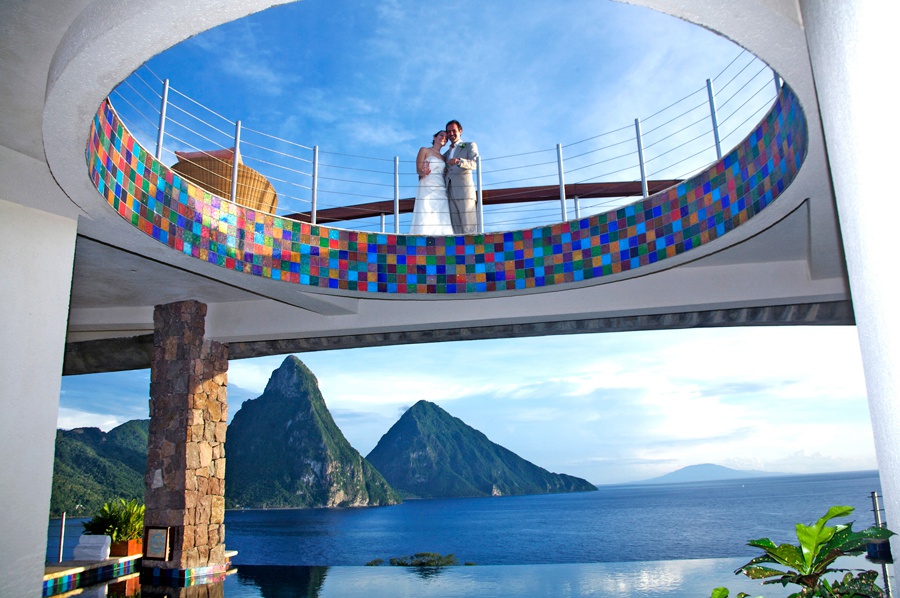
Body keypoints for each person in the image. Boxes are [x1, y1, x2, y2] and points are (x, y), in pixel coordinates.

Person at [410, 130, 454, 235]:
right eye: (441, 135)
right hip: (427, 184)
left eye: (446, 138)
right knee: (425, 209)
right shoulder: (424, 150)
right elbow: (418, 169)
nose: (443, 138)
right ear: (435, 137)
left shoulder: (444, 157)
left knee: (441, 211)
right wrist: (423, 172)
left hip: (440, 187)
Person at [443, 120, 479, 234]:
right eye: (449, 131)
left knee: (469, 229)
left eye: (454, 131)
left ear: (460, 131)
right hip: (449, 194)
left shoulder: (469, 146)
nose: (451, 134)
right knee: (456, 231)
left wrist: (459, 161)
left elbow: (475, 163)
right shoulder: (445, 154)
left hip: (464, 193)